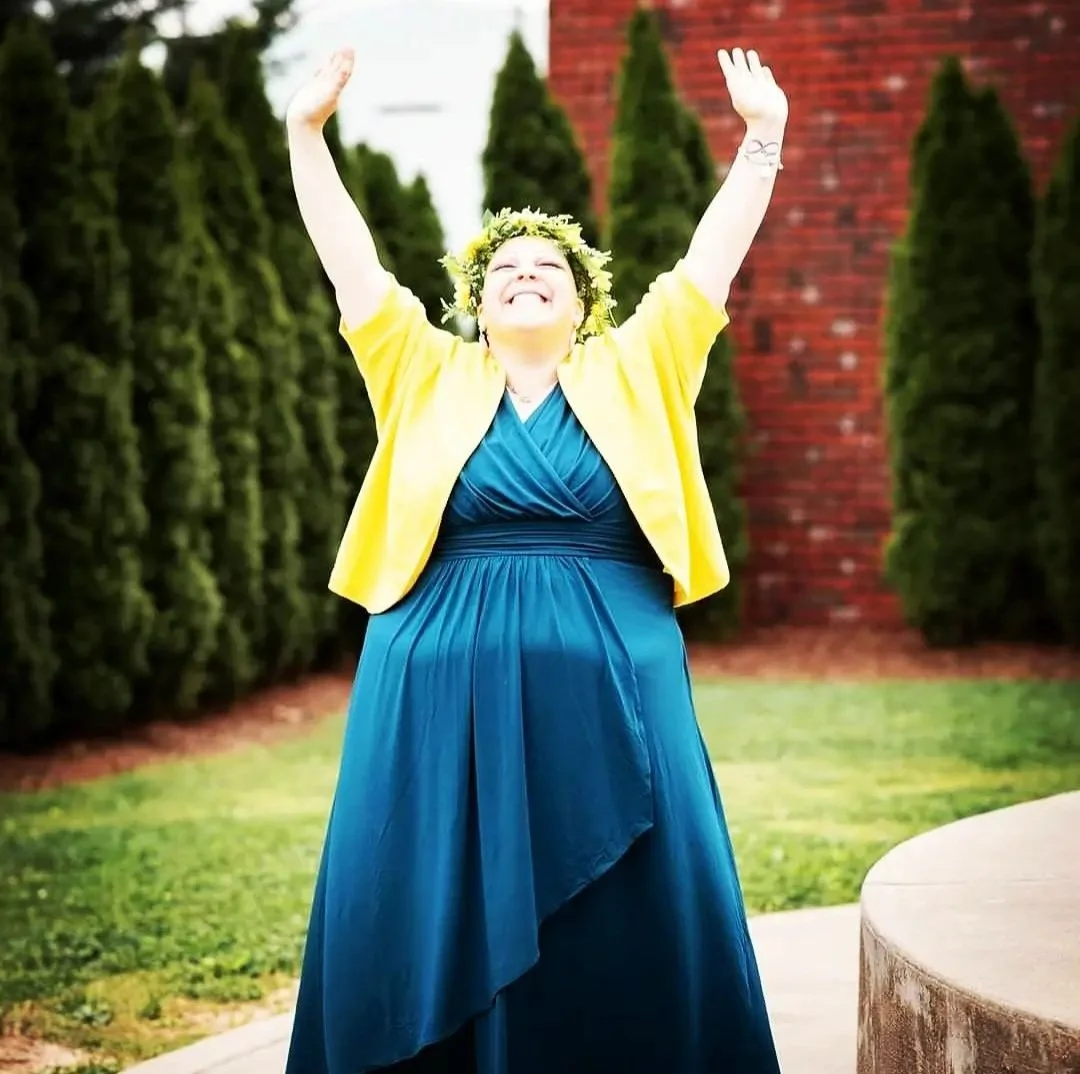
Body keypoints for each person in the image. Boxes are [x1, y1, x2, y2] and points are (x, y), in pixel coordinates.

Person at [284, 41, 788, 1074]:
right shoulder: (421, 369)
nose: (522, 275)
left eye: (545, 268)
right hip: (433, 691)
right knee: (428, 886)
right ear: (477, 303)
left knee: (631, 905)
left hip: (613, 672)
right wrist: (305, 135)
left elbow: (706, 266)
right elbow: (353, 266)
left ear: (581, 302)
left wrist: (763, 141)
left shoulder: (642, 361)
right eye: (503, 269)